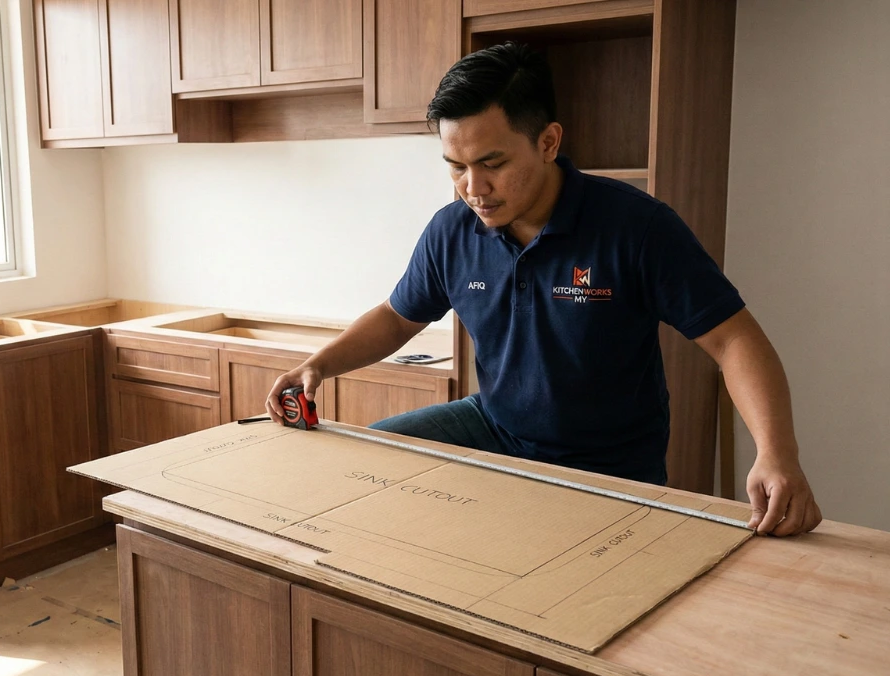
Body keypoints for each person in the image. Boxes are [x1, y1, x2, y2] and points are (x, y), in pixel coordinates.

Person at [265, 42, 821, 537]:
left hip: (610, 461)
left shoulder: (636, 227)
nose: (473, 189)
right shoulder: (452, 230)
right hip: (494, 425)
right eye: (455, 167)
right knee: (362, 468)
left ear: (549, 142)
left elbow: (734, 341)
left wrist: (776, 452)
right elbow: (397, 316)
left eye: (492, 164)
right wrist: (320, 364)